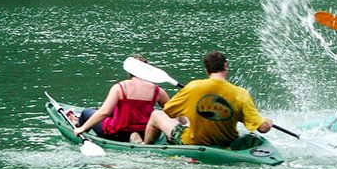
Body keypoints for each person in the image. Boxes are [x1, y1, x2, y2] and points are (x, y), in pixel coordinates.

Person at [143, 50, 273, 147]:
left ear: (207, 70)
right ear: (225, 66)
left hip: (193, 142)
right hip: (226, 143)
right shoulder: (241, 94)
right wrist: (268, 122)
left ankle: (145, 146)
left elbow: (169, 111)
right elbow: (263, 128)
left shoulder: (193, 87)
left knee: (156, 115)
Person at [73, 55, 171, 143]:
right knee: (114, 111)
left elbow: (104, 112)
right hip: (144, 133)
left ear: (129, 71)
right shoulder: (158, 91)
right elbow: (172, 112)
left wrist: (82, 129)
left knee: (86, 112)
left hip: (118, 132)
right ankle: (134, 135)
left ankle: (78, 128)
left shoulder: (119, 88)